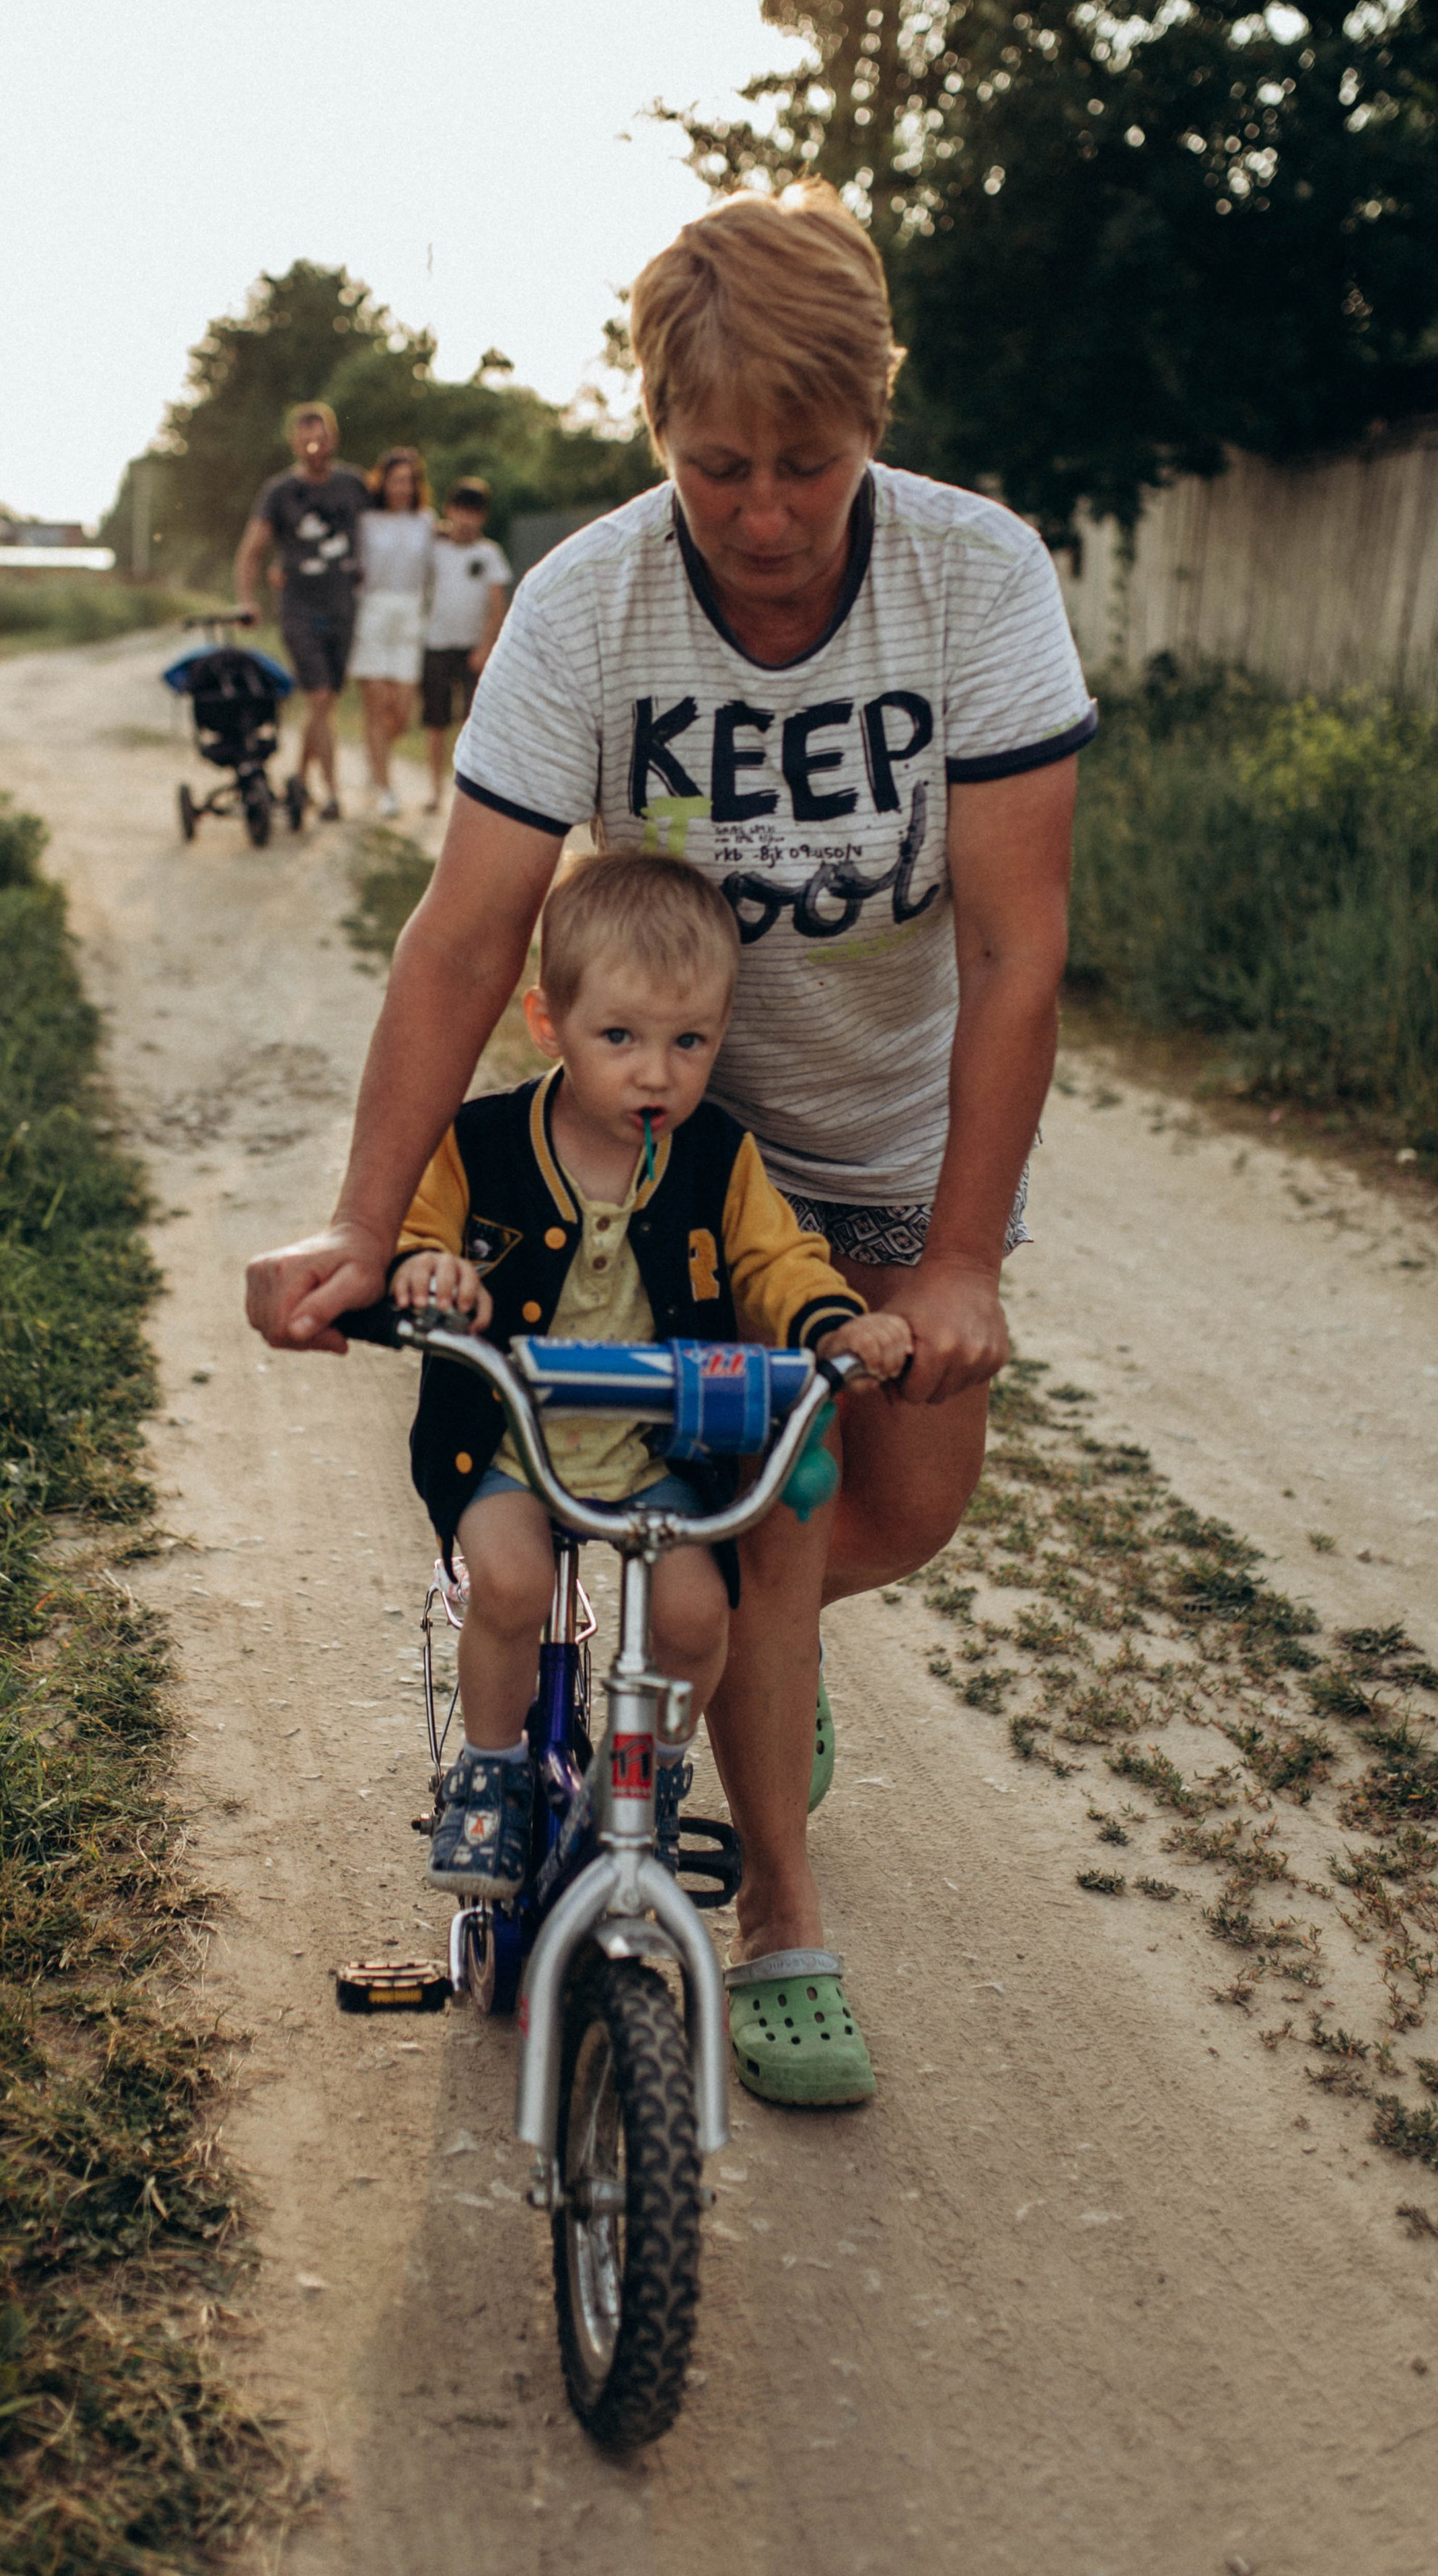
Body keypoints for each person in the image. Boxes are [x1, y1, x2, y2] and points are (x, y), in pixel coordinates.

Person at [246, 186, 1096, 2109]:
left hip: (881, 1135)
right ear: (655, 432)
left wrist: (961, 1257)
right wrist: (364, 1221)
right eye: (719, 468)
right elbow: (465, 932)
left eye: (808, 465)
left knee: (895, 1507)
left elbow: (1011, 948)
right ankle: (781, 1917)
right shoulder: (586, 601)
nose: (766, 514)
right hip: (660, 1136)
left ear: (872, 419)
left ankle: (750, 1680)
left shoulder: (974, 578)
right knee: (759, 1533)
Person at [388, 852, 911, 2104]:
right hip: (514, 1439)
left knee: (691, 1615)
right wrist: (429, 1273)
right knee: (510, 1579)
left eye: (690, 1042)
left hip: (657, 1449)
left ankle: (654, 1783)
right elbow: (421, 1231)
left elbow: (776, 1262)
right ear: (548, 1021)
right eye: (619, 1037)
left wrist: (831, 1324)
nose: (656, 1073)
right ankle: (493, 1773)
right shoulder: (483, 1144)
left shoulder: (718, 1158)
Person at [234, 402, 369, 820]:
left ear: (334, 439)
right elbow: (251, 551)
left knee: (324, 704)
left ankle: (299, 780)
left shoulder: (354, 484)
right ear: (294, 442)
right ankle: (331, 794)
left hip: (343, 606)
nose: (314, 446)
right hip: (299, 607)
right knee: (320, 696)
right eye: (306, 438)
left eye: (321, 437)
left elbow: (396, 516)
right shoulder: (279, 492)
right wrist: (247, 600)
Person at [349, 446, 434, 817]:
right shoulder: (367, 521)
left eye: (408, 481)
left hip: (409, 615)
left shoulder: (426, 522)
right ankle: (384, 788)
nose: (402, 488)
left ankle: (374, 757)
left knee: (401, 711)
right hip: (373, 611)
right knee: (377, 704)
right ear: (383, 483)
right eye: (395, 481)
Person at [419, 480, 509, 812]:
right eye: (461, 511)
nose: (467, 519)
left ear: (482, 516)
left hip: (473, 649)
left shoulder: (489, 554)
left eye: (474, 512)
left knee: (471, 723)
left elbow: (496, 606)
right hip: (437, 644)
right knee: (436, 722)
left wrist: (485, 648)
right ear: (450, 510)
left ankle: (467, 793)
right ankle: (434, 790)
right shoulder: (434, 548)